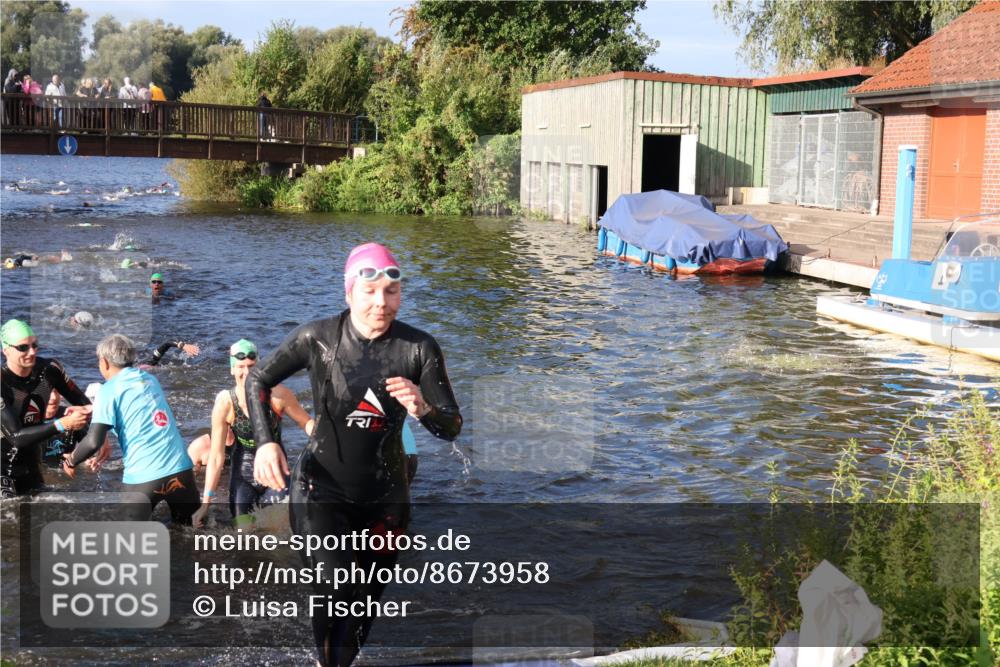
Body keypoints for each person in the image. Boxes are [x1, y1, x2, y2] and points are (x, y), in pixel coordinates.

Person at [246, 242, 462, 667]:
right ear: (349, 293)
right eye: (370, 292)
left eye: (391, 292)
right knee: (335, 589)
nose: (381, 302)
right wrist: (266, 442)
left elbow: (451, 426)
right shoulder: (317, 338)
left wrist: (423, 408)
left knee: (364, 602)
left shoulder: (419, 348)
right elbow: (258, 380)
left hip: (386, 499)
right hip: (320, 488)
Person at [63, 334, 199, 523]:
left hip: (144, 479)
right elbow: (137, 407)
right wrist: (92, 409)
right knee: (192, 532)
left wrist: (71, 460)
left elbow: (93, 442)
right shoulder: (150, 380)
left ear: (105, 362)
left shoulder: (107, 391)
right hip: (181, 471)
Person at [191, 339, 314, 529]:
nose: (246, 372)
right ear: (232, 369)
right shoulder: (225, 402)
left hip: (275, 473)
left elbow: (306, 422)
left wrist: (327, 442)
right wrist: (205, 504)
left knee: (280, 531)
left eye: (251, 366)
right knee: (244, 534)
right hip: (243, 477)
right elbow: (216, 457)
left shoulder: (278, 395)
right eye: (241, 367)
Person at [1, 319, 91, 497]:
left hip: (31, 461)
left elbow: (84, 403)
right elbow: (16, 437)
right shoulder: (2, 383)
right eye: (23, 347)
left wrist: (99, 437)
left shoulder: (49, 370)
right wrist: (62, 424)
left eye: (35, 345)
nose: (32, 352)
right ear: (6, 350)